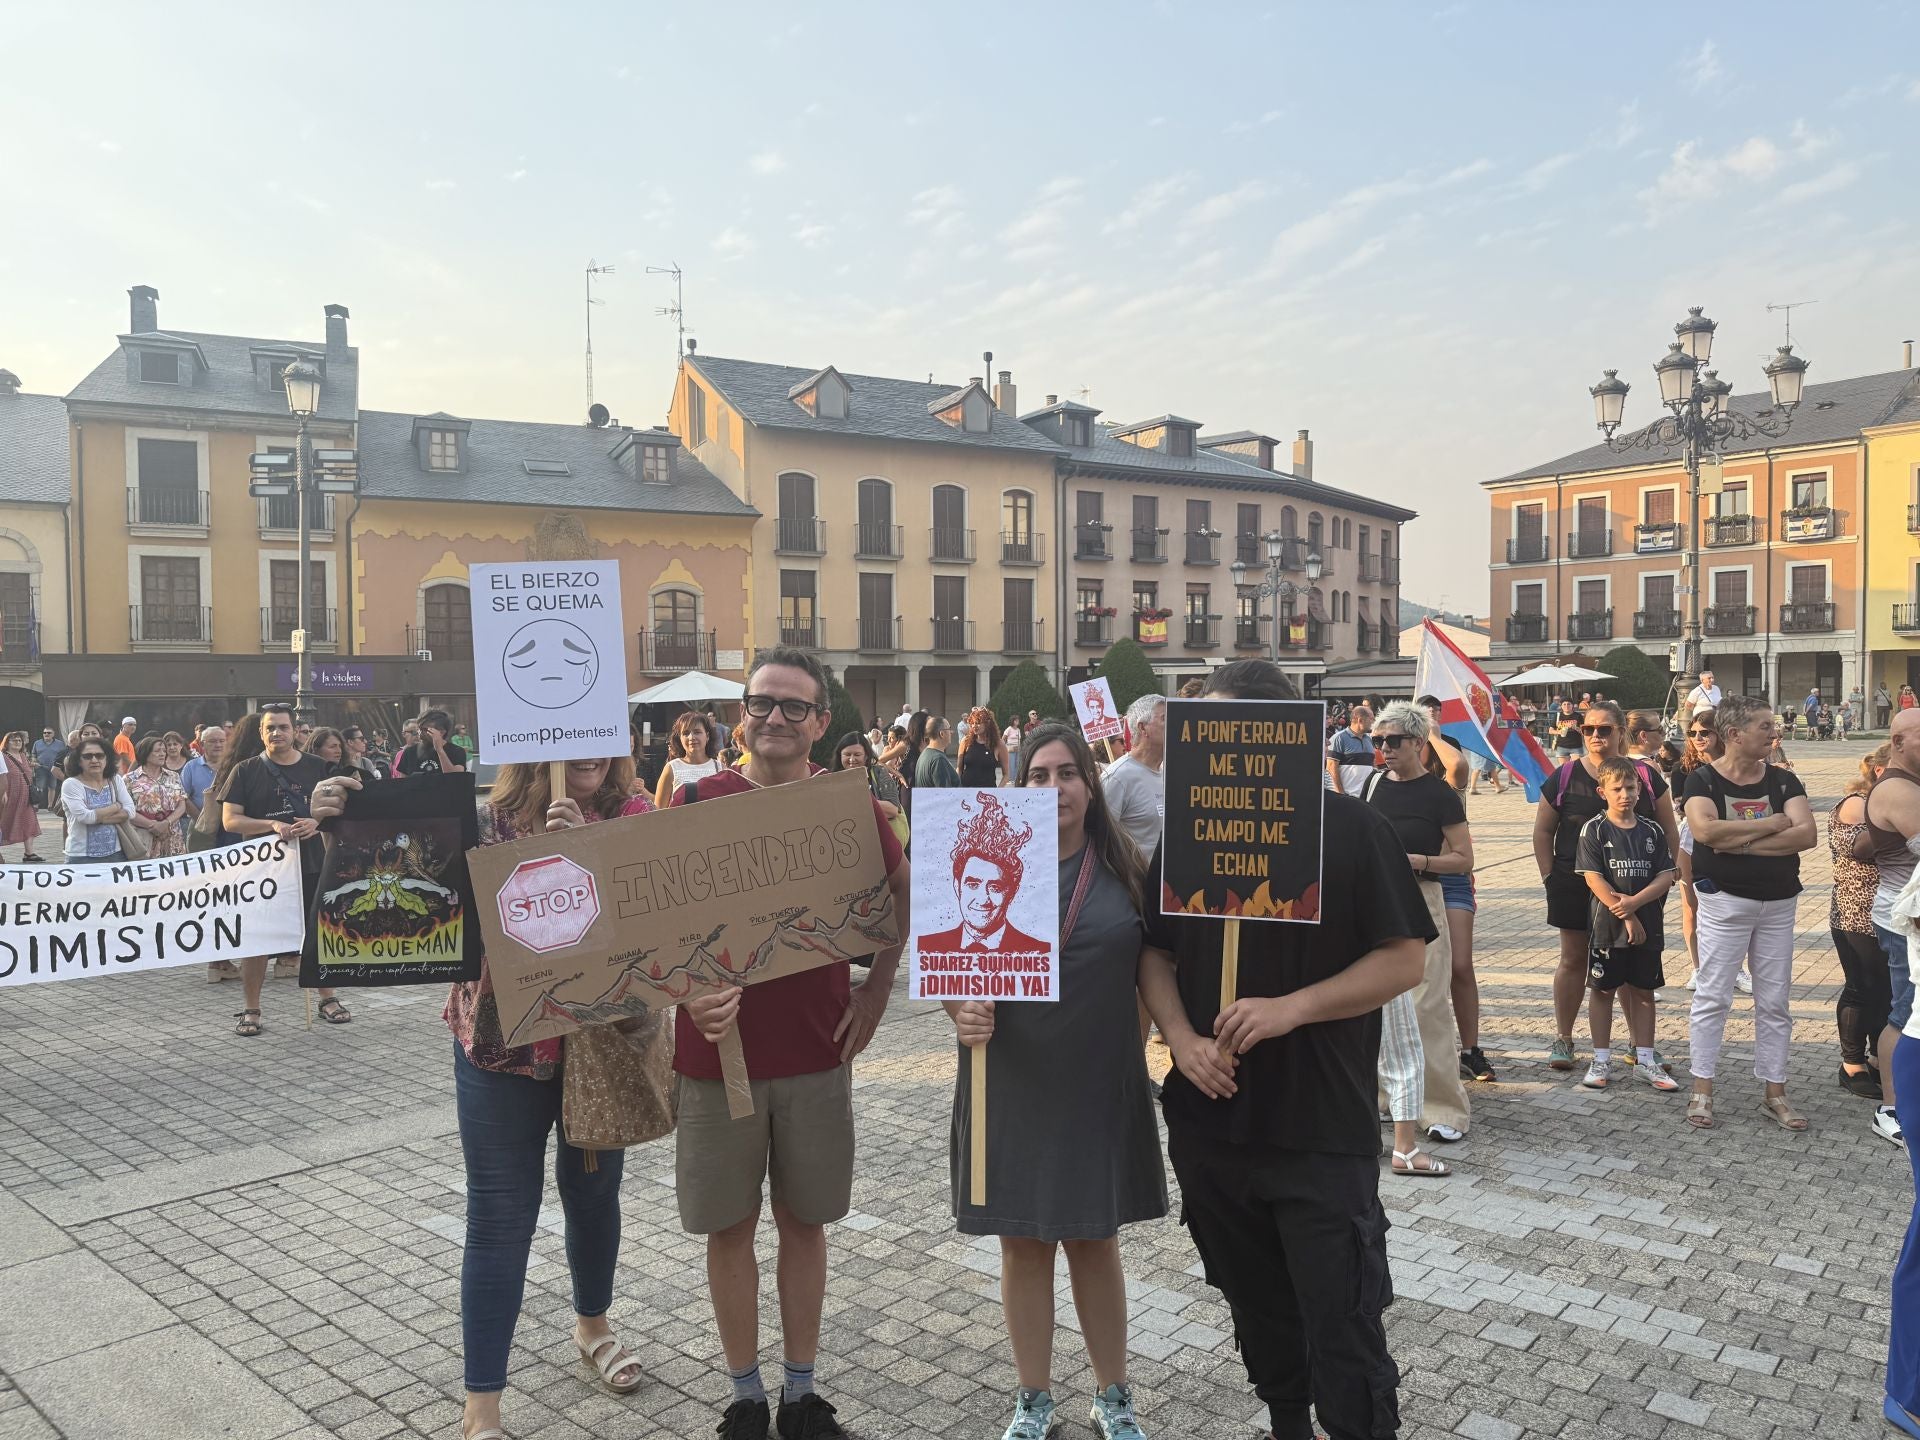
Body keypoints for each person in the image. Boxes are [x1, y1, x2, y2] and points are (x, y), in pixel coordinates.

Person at [314, 752, 659, 1440]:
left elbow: (664, 926)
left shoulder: (636, 818)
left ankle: (592, 1325)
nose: (588, 751)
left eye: (601, 732)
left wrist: (588, 852)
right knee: (501, 1215)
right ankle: (482, 1409)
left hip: (599, 1049)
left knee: (593, 1197)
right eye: (569, 737)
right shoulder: (478, 824)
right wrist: (340, 822)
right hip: (499, 1050)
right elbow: (399, 886)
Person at [1139, 658, 1432, 1440]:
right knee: (1256, 1305)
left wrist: (1289, 1011)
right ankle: (1285, 1421)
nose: (1205, 745)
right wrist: (1182, 1038)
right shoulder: (1192, 829)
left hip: (1318, 1127)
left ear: (1276, 734)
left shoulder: (1355, 828)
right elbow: (1156, 953)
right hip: (1214, 1125)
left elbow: (1406, 957)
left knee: (1342, 1317)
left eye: (1224, 728)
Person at [671, 647, 909, 1440]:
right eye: (761, 702)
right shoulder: (697, 800)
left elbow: (911, 902)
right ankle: (745, 1396)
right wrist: (686, 992)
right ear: (742, 712)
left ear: (821, 721)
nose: (774, 717)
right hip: (718, 1060)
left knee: (804, 1223)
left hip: (814, 1050)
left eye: (793, 707)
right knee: (729, 1228)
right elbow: (648, 932)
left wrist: (875, 989)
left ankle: (800, 1394)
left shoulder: (857, 811)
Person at [945, 726, 1166, 1440]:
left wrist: (1176, 1039)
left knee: (1094, 1240)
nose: (1054, 788)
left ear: (1090, 786)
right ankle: (1033, 1398)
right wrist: (960, 1010)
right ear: (1019, 786)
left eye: (1068, 773)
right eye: (1038, 775)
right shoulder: (985, 865)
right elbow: (950, 960)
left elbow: (1158, 968)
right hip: (1008, 1075)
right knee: (1023, 1243)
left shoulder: (1129, 866)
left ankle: (1113, 1394)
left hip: (1097, 1081)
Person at [1681, 695, 1817, 1130]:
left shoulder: (1782, 781)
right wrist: (1770, 824)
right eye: (1764, 726)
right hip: (1725, 899)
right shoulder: (1701, 781)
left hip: (1779, 901)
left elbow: (1807, 835)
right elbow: (1703, 831)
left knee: (1774, 1001)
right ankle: (1702, 1090)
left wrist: (1735, 841)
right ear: (1735, 734)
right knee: (1713, 995)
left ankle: (1774, 1092)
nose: (1773, 733)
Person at [1535, 702, 1678, 1076]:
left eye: (1604, 729)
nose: (1596, 736)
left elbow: (1668, 828)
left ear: (1620, 733)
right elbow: (1543, 830)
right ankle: (1564, 1038)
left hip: (1636, 887)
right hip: (1575, 883)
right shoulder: (1565, 775)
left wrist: (1669, 877)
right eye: (1588, 729)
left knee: (1632, 963)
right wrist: (1550, 876)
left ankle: (1638, 1046)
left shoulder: (1644, 776)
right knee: (1573, 959)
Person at [1364, 702, 1475, 1151]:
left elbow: (1464, 859)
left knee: (1427, 1003)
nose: (1384, 750)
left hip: (1424, 898)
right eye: (1378, 741)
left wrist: (1419, 862)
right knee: (1375, 1000)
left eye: (1393, 741)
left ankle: (1443, 1108)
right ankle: (1388, 1096)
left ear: (1416, 742)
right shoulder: (1373, 785)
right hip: (1375, 901)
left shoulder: (1439, 794)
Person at [223, 708, 349, 1035]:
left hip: (314, 863)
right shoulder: (245, 770)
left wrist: (317, 821)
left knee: (320, 933)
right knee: (258, 941)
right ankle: (252, 1009)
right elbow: (230, 819)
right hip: (263, 871)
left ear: (295, 731)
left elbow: (344, 808)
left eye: (283, 727)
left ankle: (328, 998)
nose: (277, 733)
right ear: (261, 733)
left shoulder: (320, 768)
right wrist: (272, 824)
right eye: (270, 728)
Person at [1574, 757, 1680, 1093]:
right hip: (1607, 927)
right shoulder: (1594, 829)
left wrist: (1636, 904)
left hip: (1649, 925)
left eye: (1630, 787)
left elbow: (1666, 875)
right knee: (1603, 991)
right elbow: (1594, 880)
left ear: (1640, 790)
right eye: (1617, 788)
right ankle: (1601, 1058)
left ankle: (1646, 1059)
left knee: (1644, 992)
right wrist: (1628, 915)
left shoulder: (1652, 830)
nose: (1625, 794)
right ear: (1602, 791)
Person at [1858, 710, 1920, 1148]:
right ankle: (1891, 1109)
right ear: (1897, 742)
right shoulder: (1898, 788)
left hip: (1904, 913)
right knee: (1905, 1012)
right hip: (1905, 919)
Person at [1830, 745, 1891, 1102]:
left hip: (1889, 911)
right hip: (1856, 911)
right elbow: (1860, 848)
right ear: (1880, 771)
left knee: (1886, 989)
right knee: (1862, 987)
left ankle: (1875, 1058)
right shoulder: (1857, 802)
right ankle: (1851, 1064)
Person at [1102, 694, 1166, 861]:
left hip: (1163, 885)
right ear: (1143, 728)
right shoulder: (1117, 778)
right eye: (1165, 718)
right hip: (1133, 884)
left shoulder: (1168, 772)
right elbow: (1101, 842)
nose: (1176, 723)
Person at [60, 739, 134, 863]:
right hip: (80, 857)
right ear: (79, 760)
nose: (94, 760)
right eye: (88, 756)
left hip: (116, 854)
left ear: (107, 759)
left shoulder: (115, 780)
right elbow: (85, 817)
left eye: (99, 755)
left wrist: (97, 818)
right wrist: (116, 806)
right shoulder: (71, 784)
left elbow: (131, 811)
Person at [830, 731, 904, 840]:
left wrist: (857, 799)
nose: (851, 759)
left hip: (878, 841)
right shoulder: (832, 781)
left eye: (857, 755)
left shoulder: (879, 773)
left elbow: (893, 810)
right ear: (839, 755)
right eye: (847, 754)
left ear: (866, 756)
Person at [124, 734, 188, 859]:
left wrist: (166, 823)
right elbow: (126, 810)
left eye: (164, 751)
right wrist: (152, 825)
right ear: (145, 753)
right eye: (157, 751)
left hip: (171, 835)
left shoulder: (173, 776)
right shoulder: (129, 779)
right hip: (142, 837)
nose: (163, 754)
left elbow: (181, 804)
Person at [652, 711, 723, 807]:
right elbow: (659, 812)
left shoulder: (720, 768)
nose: (691, 737)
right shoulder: (671, 768)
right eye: (686, 733)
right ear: (680, 738)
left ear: (707, 736)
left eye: (697, 732)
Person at [0, 730, 43, 861]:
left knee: (29, 821)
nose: (18, 742)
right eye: (14, 740)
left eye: (20, 740)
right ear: (7, 743)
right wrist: (3, 792)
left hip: (25, 796)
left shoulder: (23, 755)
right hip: (9, 795)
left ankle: (29, 853)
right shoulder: (3, 756)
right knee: (4, 822)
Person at [1324, 703, 1375, 798]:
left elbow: (1372, 767)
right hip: (1347, 799)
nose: (1374, 721)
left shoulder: (1369, 739)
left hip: (1367, 799)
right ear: (1360, 720)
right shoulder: (1338, 738)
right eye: (1371, 718)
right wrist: (1341, 795)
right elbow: (1331, 769)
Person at [397, 708, 467, 776]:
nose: (420, 734)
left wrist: (440, 750)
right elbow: (403, 784)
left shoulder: (457, 751)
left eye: (425, 730)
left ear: (441, 732)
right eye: (419, 729)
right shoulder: (409, 752)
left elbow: (456, 779)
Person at [958, 705, 1009, 788]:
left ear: (987, 723)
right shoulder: (965, 741)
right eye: (972, 723)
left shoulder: (999, 744)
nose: (974, 726)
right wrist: (958, 788)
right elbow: (959, 769)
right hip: (966, 792)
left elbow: (1006, 775)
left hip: (987, 795)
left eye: (978, 723)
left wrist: (997, 792)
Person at [916, 715, 960, 790]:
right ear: (942, 734)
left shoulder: (925, 754)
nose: (951, 732)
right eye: (949, 729)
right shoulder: (938, 759)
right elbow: (945, 796)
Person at [31, 726, 66, 810]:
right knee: (40, 787)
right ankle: (36, 806)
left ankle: (50, 806)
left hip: (54, 768)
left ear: (53, 734)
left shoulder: (60, 744)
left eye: (49, 733)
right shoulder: (37, 743)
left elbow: (63, 755)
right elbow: (33, 754)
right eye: (45, 733)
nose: (46, 734)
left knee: (52, 787)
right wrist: (34, 762)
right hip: (41, 768)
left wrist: (61, 766)